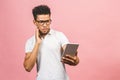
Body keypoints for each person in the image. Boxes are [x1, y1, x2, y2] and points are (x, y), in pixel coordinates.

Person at [23, 5, 80, 80]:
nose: (45, 25)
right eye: (41, 22)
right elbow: (28, 67)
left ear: (50, 20)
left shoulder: (60, 36)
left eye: (47, 21)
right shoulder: (30, 42)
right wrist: (37, 43)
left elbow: (73, 60)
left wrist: (75, 59)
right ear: (35, 22)